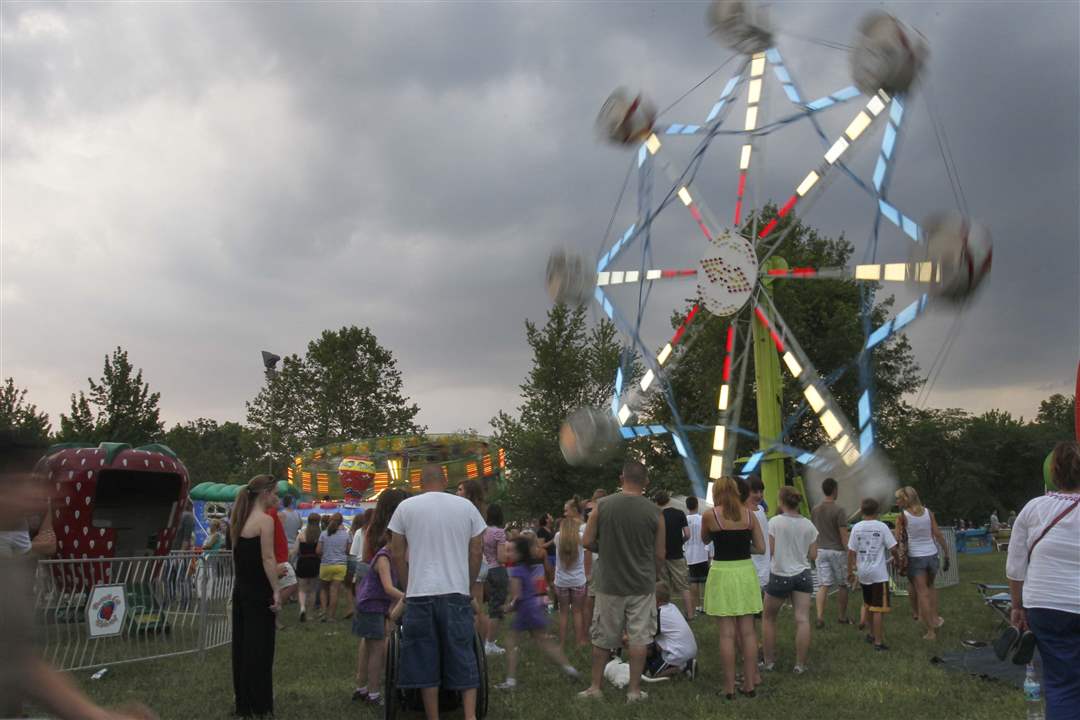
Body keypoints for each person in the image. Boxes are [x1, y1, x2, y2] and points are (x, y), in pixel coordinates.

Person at [389, 465, 487, 720]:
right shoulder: (466, 508)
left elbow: (397, 552)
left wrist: (408, 583)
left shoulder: (406, 507)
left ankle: (433, 717)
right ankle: (469, 715)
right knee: (463, 652)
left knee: (424, 655)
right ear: (445, 480)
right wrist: (467, 583)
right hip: (455, 590)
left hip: (421, 591)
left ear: (420, 483)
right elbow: (477, 550)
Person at [578, 461, 664, 704]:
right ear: (645, 482)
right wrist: (656, 575)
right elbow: (660, 554)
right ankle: (634, 691)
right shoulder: (655, 512)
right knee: (639, 638)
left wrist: (603, 547)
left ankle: (595, 687)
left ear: (621, 478)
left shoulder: (602, 506)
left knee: (603, 638)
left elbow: (586, 541)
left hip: (609, 583)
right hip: (642, 583)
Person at [1006, 440, 1080, 720]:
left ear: (1054, 473)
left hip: (1047, 606)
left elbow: (1016, 566)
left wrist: (1017, 606)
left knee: (1062, 685)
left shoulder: (1034, 509)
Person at [702, 476, 765, 700]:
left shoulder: (710, 515)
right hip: (745, 571)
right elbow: (761, 547)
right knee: (748, 632)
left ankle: (729, 688)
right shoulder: (750, 516)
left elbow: (704, 540)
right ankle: (750, 685)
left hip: (722, 572)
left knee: (726, 635)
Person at [495, 537, 579, 690]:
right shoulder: (526, 568)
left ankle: (511, 681)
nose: (507, 554)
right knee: (545, 642)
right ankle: (569, 669)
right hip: (533, 608)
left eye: (510, 550)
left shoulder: (515, 571)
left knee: (510, 643)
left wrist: (507, 607)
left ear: (520, 554)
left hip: (525, 611)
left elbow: (516, 596)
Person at [229, 475, 281, 718]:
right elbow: (267, 558)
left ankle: (244, 702)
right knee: (260, 648)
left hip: (241, 590)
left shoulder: (239, 520)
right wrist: (277, 590)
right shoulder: (265, 521)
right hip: (259, 593)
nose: (277, 498)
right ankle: (260, 702)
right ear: (265, 493)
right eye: (275, 493)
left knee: (242, 647)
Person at [352, 489, 408, 706]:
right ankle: (375, 691)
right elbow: (387, 582)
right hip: (379, 593)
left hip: (369, 592)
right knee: (379, 643)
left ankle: (362, 685)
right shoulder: (388, 544)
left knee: (369, 641)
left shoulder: (372, 528)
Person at [762, 486, 818, 674]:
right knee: (802, 620)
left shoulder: (775, 522)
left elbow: (769, 551)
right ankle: (800, 665)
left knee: (769, 618)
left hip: (779, 574)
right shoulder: (809, 525)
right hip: (802, 574)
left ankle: (769, 662)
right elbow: (813, 554)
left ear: (781, 501)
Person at [895, 486, 949, 639]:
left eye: (899, 498)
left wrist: (897, 557)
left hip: (915, 557)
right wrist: (946, 553)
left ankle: (930, 630)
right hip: (932, 555)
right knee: (931, 588)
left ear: (906, 499)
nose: (897, 501)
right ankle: (935, 618)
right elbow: (937, 534)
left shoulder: (902, 517)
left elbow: (898, 539)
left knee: (923, 593)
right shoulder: (928, 512)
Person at [847, 497, 898, 651]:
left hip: (863, 572)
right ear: (877, 511)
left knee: (868, 605)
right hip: (879, 574)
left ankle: (870, 634)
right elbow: (893, 547)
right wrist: (898, 559)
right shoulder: (882, 527)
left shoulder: (856, 527)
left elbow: (851, 551)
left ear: (862, 511)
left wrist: (850, 570)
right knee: (878, 609)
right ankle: (878, 642)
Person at [811, 477, 851, 628]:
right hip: (837, 551)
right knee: (842, 584)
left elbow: (813, 532)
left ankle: (820, 617)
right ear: (834, 490)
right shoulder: (839, 510)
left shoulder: (815, 509)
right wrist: (850, 553)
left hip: (821, 550)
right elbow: (843, 535)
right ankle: (842, 617)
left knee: (823, 585)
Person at [643, 582, 697, 680]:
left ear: (656, 600)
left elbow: (646, 636)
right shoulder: (672, 607)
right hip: (687, 648)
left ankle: (684, 667)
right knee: (653, 646)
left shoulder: (659, 615)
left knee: (651, 675)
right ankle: (683, 663)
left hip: (679, 652)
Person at [655, 491, 693, 620]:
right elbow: (687, 534)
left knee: (663, 587)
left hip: (661, 555)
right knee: (683, 586)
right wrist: (680, 541)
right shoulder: (679, 514)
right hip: (677, 554)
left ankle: (666, 615)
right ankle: (690, 614)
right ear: (669, 500)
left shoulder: (656, 515)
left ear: (656, 502)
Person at [554, 507, 589, 648]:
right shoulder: (580, 537)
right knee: (577, 611)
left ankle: (561, 643)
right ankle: (579, 641)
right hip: (578, 580)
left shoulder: (557, 536)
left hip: (561, 581)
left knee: (563, 612)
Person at [265, 503, 297, 630]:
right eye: (276, 494)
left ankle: (274, 616)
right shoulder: (271, 511)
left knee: (282, 586)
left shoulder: (274, 512)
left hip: (279, 556)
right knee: (291, 583)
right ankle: (273, 612)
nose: (278, 499)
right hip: (277, 558)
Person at [483, 504, 510, 655]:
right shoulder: (499, 533)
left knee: (491, 605)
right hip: (498, 570)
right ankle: (490, 643)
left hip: (486, 570)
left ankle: (488, 640)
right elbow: (501, 557)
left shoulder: (482, 531)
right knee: (497, 608)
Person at [683, 495, 710, 617]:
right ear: (697, 505)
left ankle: (698, 606)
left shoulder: (684, 519)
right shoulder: (701, 519)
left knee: (694, 581)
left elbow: (682, 537)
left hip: (690, 554)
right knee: (705, 581)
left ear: (687, 506)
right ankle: (706, 605)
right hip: (702, 552)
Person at [746, 478, 771, 593]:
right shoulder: (744, 513)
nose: (759, 495)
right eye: (755, 492)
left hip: (765, 561)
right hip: (752, 564)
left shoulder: (761, 509)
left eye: (761, 491)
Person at [295, 513, 321, 622]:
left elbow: (296, 550)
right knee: (313, 590)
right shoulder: (320, 535)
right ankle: (310, 614)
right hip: (315, 563)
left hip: (302, 562)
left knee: (302, 588)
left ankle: (302, 608)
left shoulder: (301, 534)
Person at [280, 495, 302, 565]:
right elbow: (300, 526)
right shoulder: (297, 514)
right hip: (295, 545)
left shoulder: (281, 515)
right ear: (291, 502)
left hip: (284, 546)